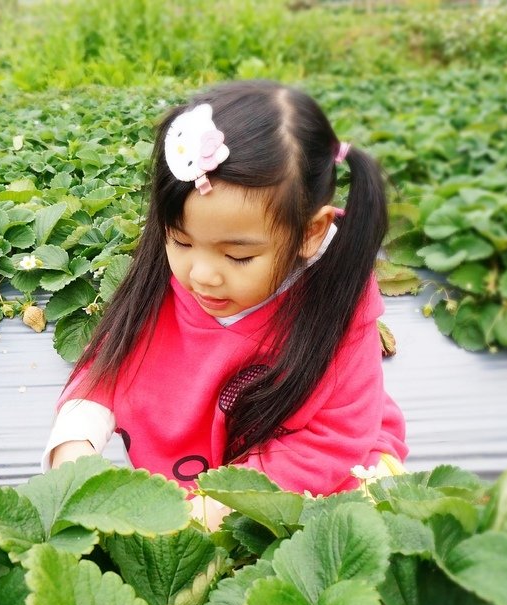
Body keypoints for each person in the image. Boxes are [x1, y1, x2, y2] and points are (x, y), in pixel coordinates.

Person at [42, 81, 408, 527]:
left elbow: (333, 440)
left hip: (320, 474)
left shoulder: (339, 309)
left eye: (238, 256)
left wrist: (220, 507)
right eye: (180, 240)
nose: (202, 274)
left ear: (310, 234)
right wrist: (75, 449)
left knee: (358, 523)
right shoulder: (173, 275)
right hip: (200, 482)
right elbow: (107, 365)